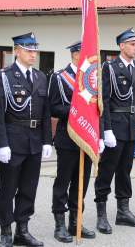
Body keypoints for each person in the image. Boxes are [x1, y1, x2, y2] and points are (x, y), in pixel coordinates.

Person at [0, 32, 52, 247]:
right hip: (13, 140)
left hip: (34, 141)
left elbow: (45, 112)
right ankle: (6, 229)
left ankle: (22, 229)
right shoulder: (4, 76)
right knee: (8, 187)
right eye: (28, 50)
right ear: (16, 51)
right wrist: (1, 144)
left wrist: (47, 141)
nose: (33, 54)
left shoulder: (41, 77)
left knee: (29, 187)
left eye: (35, 50)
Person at [94, 28, 135, 234]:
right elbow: (103, 100)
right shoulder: (109, 67)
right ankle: (101, 213)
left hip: (131, 125)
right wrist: (106, 129)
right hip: (114, 124)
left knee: (125, 170)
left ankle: (123, 211)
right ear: (121, 46)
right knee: (107, 170)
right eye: (132, 44)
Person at [48, 41, 96, 241]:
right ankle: (59, 224)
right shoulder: (60, 78)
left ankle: (75, 221)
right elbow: (54, 107)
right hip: (67, 138)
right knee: (63, 182)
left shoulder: (92, 78)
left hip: (87, 137)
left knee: (81, 183)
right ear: (76, 55)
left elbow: (97, 107)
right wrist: (77, 111)